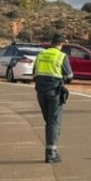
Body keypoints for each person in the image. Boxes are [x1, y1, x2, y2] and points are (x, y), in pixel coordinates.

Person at [33, 34, 73, 163]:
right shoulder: (61, 56)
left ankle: (50, 152)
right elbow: (70, 75)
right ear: (61, 44)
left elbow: (34, 74)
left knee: (49, 122)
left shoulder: (40, 55)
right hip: (54, 92)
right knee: (54, 123)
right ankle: (51, 154)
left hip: (40, 92)